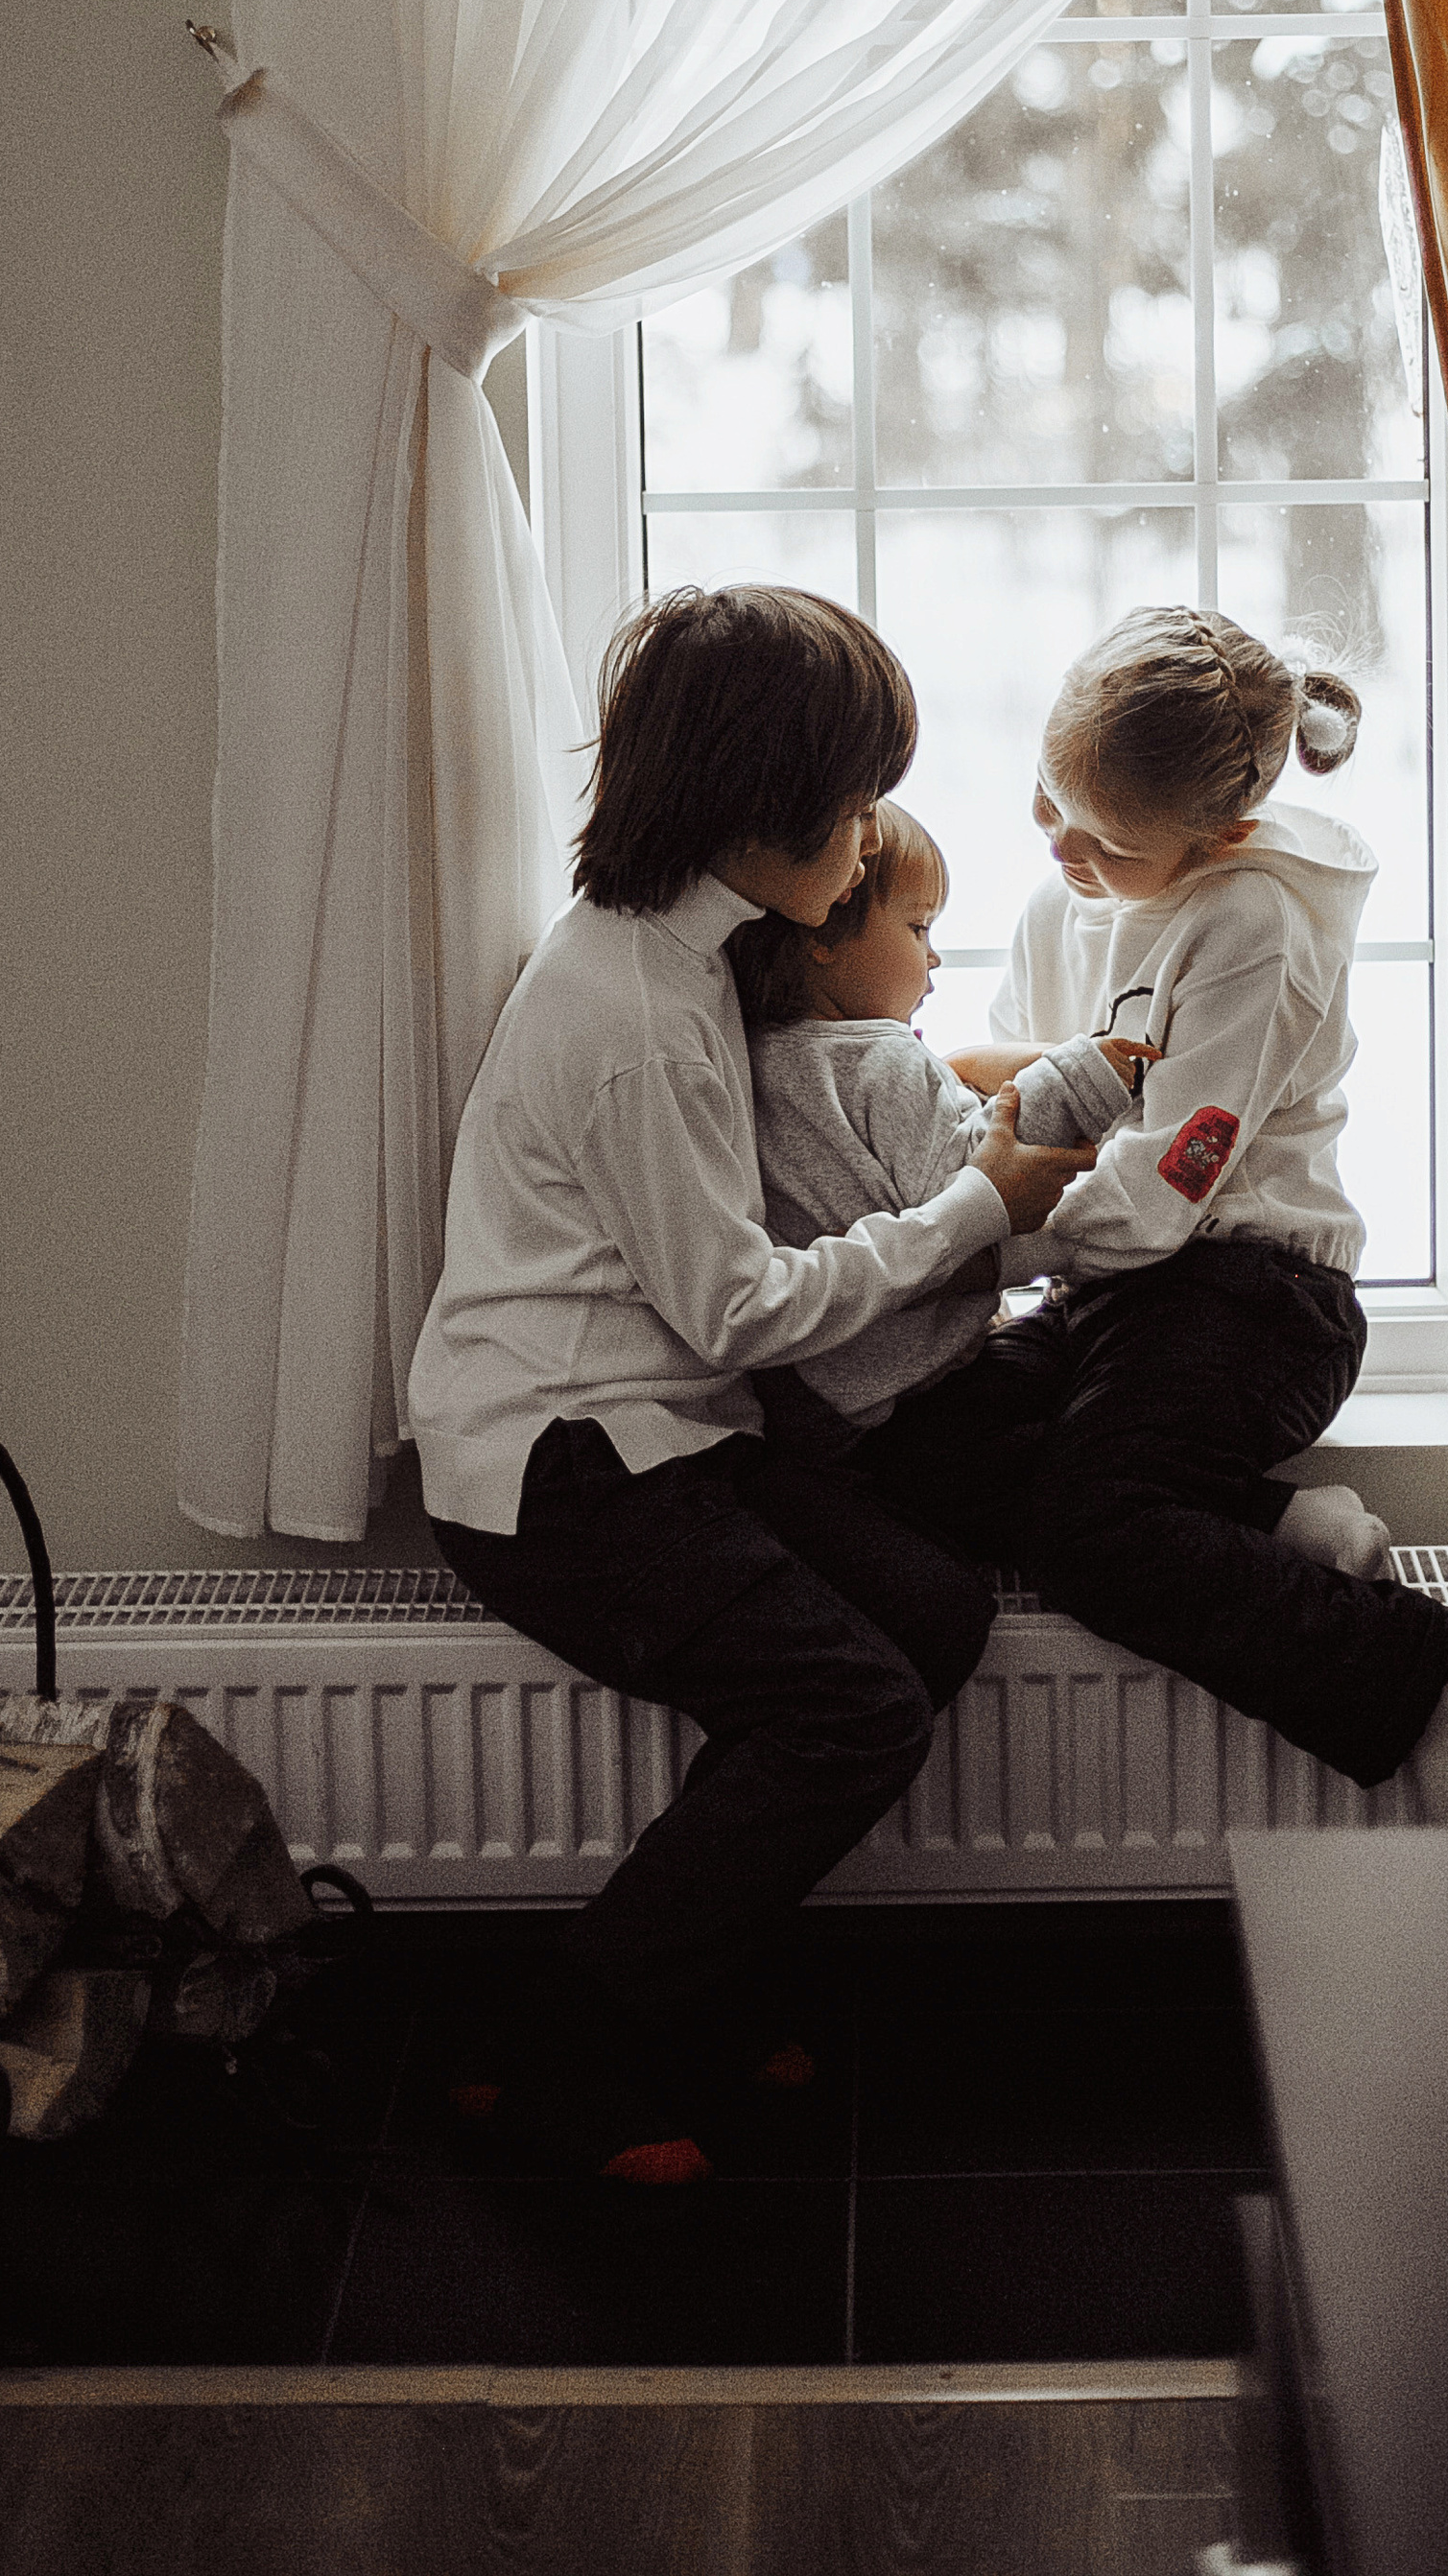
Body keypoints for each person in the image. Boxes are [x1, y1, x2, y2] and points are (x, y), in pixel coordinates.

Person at [406, 584, 1094, 2183]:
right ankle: (564, 2060)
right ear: (752, 804)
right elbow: (732, 1308)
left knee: (931, 1615)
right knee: (846, 1709)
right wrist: (974, 1214)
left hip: (660, 1435)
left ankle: (677, 1982)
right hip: (559, 1468)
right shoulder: (635, 1012)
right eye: (850, 804)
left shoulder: (685, 955)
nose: (868, 842)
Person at [846, 604, 1448, 1826]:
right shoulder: (1074, 895)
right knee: (903, 1450)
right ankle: (1269, 1518)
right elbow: (1042, 1100)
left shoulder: (1254, 926)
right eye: (1046, 801)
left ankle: (1425, 1688)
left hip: (1256, 1297)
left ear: (1229, 831)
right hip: (1107, 1289)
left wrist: (968, 1238)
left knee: (1092, 1530)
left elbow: (1156, 1199)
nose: (1057, 848)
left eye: (1098, 839)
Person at [729, 795, 1145, 1457]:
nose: (934, 960)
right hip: (917, 1385)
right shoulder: (883, 1058)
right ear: (822, 934)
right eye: (919, 929)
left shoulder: (757, 1053)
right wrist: (1076, 1079)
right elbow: (975, 1180)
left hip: (821, 1391)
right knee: (1096, 1442)